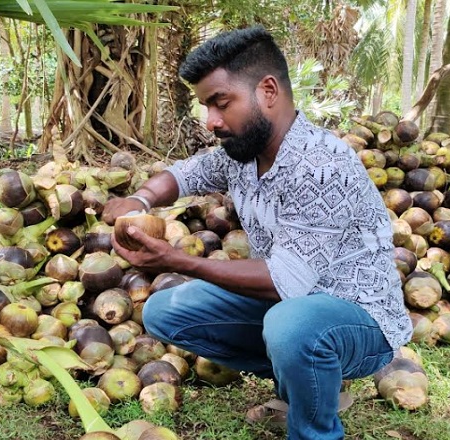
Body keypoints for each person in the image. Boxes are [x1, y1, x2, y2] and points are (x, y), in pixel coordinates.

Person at [102, 26, 412, 440]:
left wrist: (176, 260)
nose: (211, 121)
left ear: (268, 91)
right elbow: (183, 174)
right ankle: (316, 385)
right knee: (164, 310)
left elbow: (286, 281)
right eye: (205, 107)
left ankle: (313, 427)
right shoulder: (242, 153)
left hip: (361, 320)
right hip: (295, 306)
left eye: (220, 103)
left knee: (291, 324)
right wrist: (140, 201)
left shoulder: (320, 165)